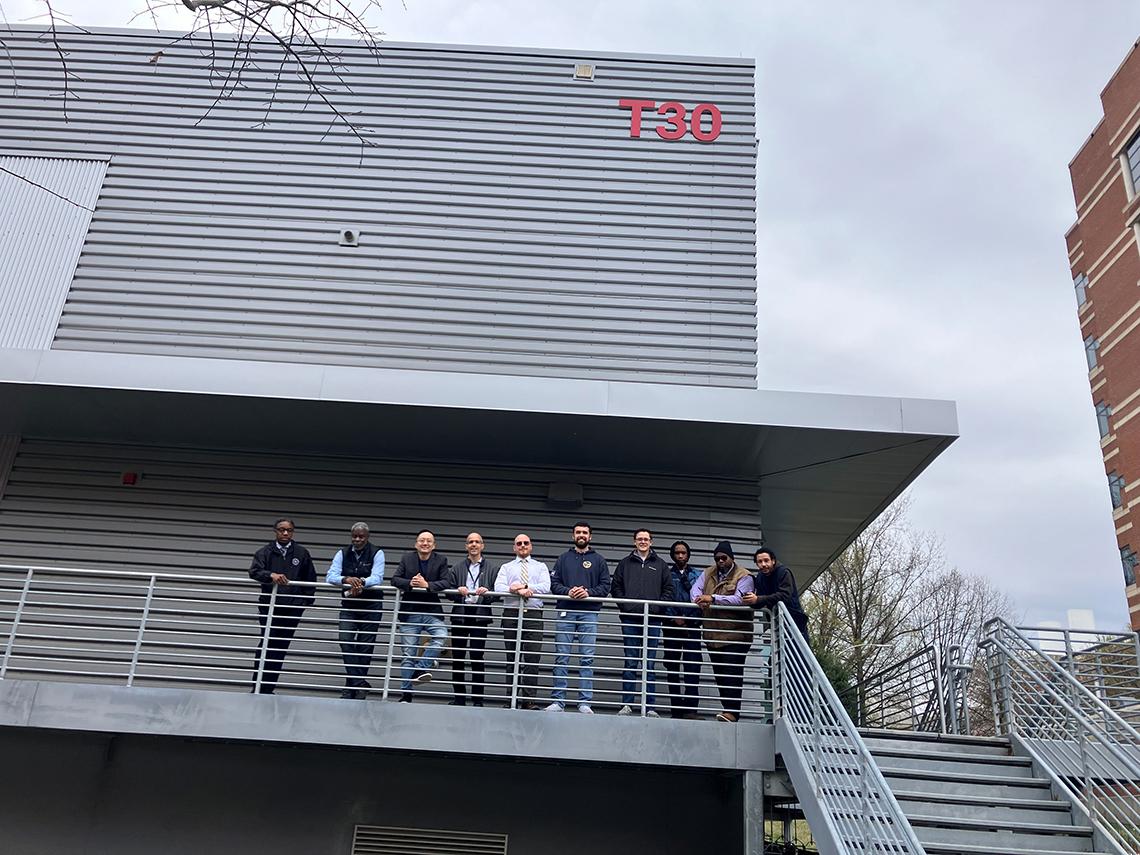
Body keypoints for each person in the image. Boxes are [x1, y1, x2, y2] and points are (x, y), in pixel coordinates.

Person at [547, 521, 611, 713]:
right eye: (578, 532)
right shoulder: (563, 559)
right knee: (561, 657)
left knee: (587, 658)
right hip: (566, 612)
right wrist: (568, 591)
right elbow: (554, 584)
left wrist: (588, 593)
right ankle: (558, 701)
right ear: (573, 535)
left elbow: (605, 586)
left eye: (584, 532)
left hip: (589, 614)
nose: (581, 535)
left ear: (590, 536)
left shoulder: (599, 560)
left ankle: (584, 703)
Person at [248, 518, 317, 694]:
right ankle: (257, 687)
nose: (285, 533)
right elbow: (254, 571)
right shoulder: (265, 552)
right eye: (282, 530)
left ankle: (268, 689)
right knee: (266, 644)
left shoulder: (301, 553)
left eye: (289, 530)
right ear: (275, 531)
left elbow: (310, 579)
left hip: (292, 609)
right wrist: (270, 575)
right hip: (270, 607)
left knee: (281, 647)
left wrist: (303, 602)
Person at [611, 528, 674, 716]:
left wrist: (656, 608)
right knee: (631, 662)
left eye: (646, 539)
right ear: (634, 541)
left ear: (651, 542)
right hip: (630, 619)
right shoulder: (625, 563)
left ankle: (650, 706)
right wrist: (626, 606)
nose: (643, 542)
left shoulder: (660, 564)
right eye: (640, 539)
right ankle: (627, 705)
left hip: (652, 620)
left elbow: (669, 589)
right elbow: (616, 587)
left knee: (649, 664)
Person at [691, 540, 755, 723]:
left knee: (732, 673)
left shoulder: (744, 576)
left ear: (731, 558)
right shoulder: (708, 573)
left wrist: (712, 598)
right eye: (717, 558)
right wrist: (698, 600)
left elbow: (740, 599)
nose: (720, 561)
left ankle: (733, 713)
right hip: (713, 635)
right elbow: (695, 589)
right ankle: (728, 711)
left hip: (736, 635)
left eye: (723, 557)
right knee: (720, 674)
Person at [325, 522, 385, 699]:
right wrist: (346, 579)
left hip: (371, 605)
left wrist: (361, 582)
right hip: (349, 606)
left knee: (365, 647)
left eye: (361, 536)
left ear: (367, 537)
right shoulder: (342, 553)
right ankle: (359, 683)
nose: (357, 539)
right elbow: (330, 576)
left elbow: (377, 577)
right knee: (345, 641)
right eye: (354, 536)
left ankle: (352, 689)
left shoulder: (377, 552)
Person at [390, 530, 450, 702]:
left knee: (441, 635)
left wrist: (427, 585)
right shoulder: (407, 558)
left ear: (434, 545)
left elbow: (446, 582)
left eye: (429, 541)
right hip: (410, 612)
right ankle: (406, 695)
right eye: (422, 540)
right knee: (408, 654)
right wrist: (410, 583)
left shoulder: (441, 560)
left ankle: (421, 668)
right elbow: (395, 580)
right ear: (416, 544)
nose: (425, 543)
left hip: (431, 611)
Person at [494, 533, 551, 709]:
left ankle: (529, 701)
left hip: (533, 615)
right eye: (519, 543)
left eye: (526, 543)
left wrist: (524, 587)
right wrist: (515, 590)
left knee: (532, 658)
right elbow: (498, 587)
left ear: (531, 546)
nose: (523, 545)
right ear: (514, 547)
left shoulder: (540, 566)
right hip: (511, 614)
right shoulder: (506, 567)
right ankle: (510, 699)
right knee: (512, 658)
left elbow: (546, 587)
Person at [446, 531, 496, 707]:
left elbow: (497, 594)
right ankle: (459, 699)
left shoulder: (492, 568)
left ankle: (477, 700)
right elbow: (448, 592)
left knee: (477, 657)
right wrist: (457, 591)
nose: (474, 544)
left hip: (480, 616)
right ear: (466, 546)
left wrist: (487, 593)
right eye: (470, 542)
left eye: (477, 542)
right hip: (461, 615)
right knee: (458, 657)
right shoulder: (457, 567)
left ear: (482, 546)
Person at [662, 540, 703, 719]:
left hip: (692, 627)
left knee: (693, 667)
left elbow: (701, 599)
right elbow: (662, 598)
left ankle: (691, 710)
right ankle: (676, 710)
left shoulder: (697, 575)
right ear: (672, 555)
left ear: (688, 554)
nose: (680, 555)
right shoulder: (666, 574)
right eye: (677, 553)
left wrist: (689, 619)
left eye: (683, 552)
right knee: (672, 667)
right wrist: (673, 618)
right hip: (671, 627)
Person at [743, 547, 809, 642]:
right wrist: (750, 600)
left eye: (766, 560)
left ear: (773, 561)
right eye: (760, 562)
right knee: (779, 648)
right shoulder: (761, 577)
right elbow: (760, 600)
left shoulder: (783, 572)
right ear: (757, 564)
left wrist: (758, 599)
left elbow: (785, 595)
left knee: (798, 649)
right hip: (776, 622)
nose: (763, 564)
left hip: (793, 620)